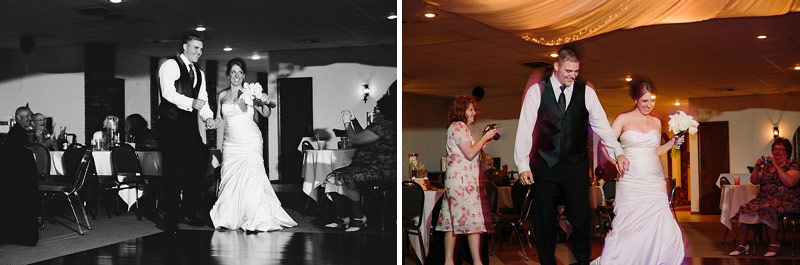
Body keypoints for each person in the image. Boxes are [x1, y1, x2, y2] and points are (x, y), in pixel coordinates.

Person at [513, 47, 629, 265]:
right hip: (545, 164)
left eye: (576, 71)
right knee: (544, 219)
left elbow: (603, 127)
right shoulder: (537, 91)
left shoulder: (586, 93)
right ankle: (547, 262)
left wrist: (619, 153)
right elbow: (525, 129)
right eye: (568, 70)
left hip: (575, 164)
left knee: (582, 217)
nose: (572, 75)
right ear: (556, 67)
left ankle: (582, 260)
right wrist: (522, 165)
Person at [590, 76, 685, 265]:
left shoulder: (657, 123)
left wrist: (672, 144)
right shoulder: (623, 119)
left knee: (662, 227)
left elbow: (655, 151)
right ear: (635, 99)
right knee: (629, 229)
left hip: (654, 182)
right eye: (644, 101)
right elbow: (604, 145)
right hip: (632, 182)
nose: (649, 105)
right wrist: (617, 158)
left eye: (652, 100)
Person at [208, 58, 296, 232]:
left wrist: (263, 100)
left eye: (240, 72)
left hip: (250, 141)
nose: (237, 76)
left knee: (252, 179)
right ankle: (227, 218)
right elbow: (219, 119)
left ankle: (256, 219)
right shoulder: (222, 95)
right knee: (230, 179)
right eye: (233, 72)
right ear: (228, 75)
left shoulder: (250, 93)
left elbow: (265, 113)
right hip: (231, 144)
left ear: (244, 75)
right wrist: (212, 123)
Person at [156, 32, 216, 234]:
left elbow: (203, 98)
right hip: (170, 125)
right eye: (195, 48)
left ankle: (188, 210)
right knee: (172, 171)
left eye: (201, 48)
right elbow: (167, 92)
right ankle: (171, 218)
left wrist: (208, 117)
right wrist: (190, 102)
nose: (199, 52)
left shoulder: (199, 72)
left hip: (189, 126)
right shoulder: (170, 65)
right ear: (184, 47)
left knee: (200, 159)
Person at [435, 95, 497, 265]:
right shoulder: (459, 126)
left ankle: (449, 261)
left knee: (451, 223)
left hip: (456, 180)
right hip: (463, 182)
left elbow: (469, 152)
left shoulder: (456, 128)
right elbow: (470, 153)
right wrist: (484, 138)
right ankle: (478, 262)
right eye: (471, 109)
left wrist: (484, 140)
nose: (474, 113)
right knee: (473, 220)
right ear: (462, 111)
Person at [325, 93, 396, 232]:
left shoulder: (384, 126)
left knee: (348, 177)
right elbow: (363, 135)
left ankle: (359, 218)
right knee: (332, 177)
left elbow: (356, 140)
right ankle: (342, 217)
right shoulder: (381, 125)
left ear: (384, 111)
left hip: (381, 169)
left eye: (377, 108)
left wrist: (346, 123)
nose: (375, 111)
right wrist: (354, 120)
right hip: (370, 165)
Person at [729, 137, 800, 257]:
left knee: (768, 207)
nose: (776, 151)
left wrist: (777, 167)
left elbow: (790, 182)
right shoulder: (767, 167)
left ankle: (774, 244)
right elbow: (754, 181)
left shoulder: (792, 165)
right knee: (745, 207)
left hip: (786, 199)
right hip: (764, 198)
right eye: (774, 149)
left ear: (787, 152)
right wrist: (757, 167)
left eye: (780, 149)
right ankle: (743, 245)